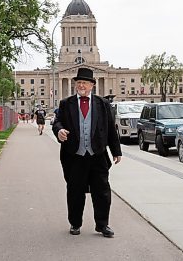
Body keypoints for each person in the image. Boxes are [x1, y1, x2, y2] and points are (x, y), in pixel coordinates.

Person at [52, 67, 122, 238]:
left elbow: (110, 129)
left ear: (92, 85)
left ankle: (102, 225)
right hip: (74, 155)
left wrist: (116, 150)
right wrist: (59, 131)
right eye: (79, 82)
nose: (81, 85)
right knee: (75, 192)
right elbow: (57, 122)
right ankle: (75, 223)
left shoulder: (103, 104)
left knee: (102, 192)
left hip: (97, 155)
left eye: (85, 82)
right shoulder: (66, 103)